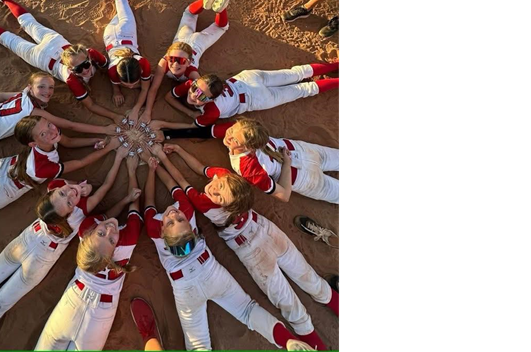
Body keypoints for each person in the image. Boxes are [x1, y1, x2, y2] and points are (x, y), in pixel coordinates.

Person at [148, 143, 338, 349]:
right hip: (266, 229)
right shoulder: (228, 179)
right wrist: (178, 150)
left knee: (290, 303)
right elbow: (200, 170)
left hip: (253, 251)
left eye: (220, 196)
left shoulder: (205, 200)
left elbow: (183, 180)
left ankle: (315, 346)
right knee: (310, 281)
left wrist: (166, 157)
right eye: (219, 188)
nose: (214, 190)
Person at [0, 144, 129, 350]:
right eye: (64, 196)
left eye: (68, 200)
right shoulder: (69, 201)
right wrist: (82, 189)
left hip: (38, 262)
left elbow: (97, 188)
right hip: (23, 243)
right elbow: (86, 187)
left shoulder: (69, 204)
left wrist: (81, 187)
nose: (68, 194)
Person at [0, 0, 125, 123]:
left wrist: (116, 90)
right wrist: (114, 116)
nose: (85, 71)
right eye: (78, 69)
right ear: (70, 68)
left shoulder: (91, 53)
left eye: (86, 65)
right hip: (41, 57)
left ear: (89, 57)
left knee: (28, 23)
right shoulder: (72, 79)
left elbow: (109, 68)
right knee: (11, 40)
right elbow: (90, 105)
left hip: (54, 41)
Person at [34, 155, 144, 350]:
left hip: (73, 299)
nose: (109, 230)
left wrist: (126, 197)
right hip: (100, 312)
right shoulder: (127, 241)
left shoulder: (85, 230)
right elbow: (133, 207)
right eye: (106, 236)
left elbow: (107, 218)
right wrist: (129, 192)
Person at [0, 116, 118, 220]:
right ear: (33, 143)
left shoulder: (49, 136)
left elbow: (69, 142)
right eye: (44, 133)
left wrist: (95, 141)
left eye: (49, 124)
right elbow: (81, 162)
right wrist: (110, 147)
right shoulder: (42, 168)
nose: (52, 130)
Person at [140, 0, 236, 124]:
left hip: (193, 41)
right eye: (172, 59)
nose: (174, 64)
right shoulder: (187, 71)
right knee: (217, 25)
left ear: (189, 62)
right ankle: (219, 8)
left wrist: (148, 111)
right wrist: (147, 112)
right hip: (188, 41)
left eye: (180, 61)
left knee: (191, 13)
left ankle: (207, 2)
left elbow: (154, 89)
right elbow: (154, 89)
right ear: (168, 56)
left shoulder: (169, 65)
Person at [152, 61, 340, 130]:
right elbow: (169, 96)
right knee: (296, 73)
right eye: (195, 89)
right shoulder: (193, 85)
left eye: (202, 97)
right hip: (248, 78)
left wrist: (190, 114)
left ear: (211, 99)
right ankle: (336, 64)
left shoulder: (212, 110)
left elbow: (194, 126)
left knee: (303, 89)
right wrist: (190, 112)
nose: (194, 95)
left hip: (257, 98)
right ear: (195, 82)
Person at [0, 72, 114, 147]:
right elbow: (70, 125)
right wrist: (104, 129)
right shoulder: (34, 112)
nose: (47, 91)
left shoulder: (24, 94)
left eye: (51, 87)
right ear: (30, 87)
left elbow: (1, 95)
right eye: (41, 87)